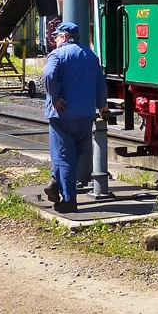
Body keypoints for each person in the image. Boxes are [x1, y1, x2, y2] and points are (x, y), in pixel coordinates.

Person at [42, 21, 107, 213]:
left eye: (56, 37)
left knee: (63, 157)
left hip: (62, 115)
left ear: (63, 37)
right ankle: (55, 181)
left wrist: (55, 98)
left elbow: (49, 76)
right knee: (75, 155)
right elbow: (100, 83)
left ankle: (69, 200)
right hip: (86, 115)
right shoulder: (90, 56)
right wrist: (102, 106)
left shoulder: (57, 55)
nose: (55, 41)